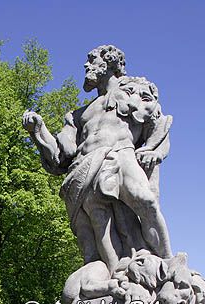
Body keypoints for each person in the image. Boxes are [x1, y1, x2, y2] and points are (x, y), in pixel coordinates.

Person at [22, 45, 172, 273]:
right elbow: (61, 158)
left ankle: (168, 264)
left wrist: (153, 151)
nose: (86, 65)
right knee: (100, 225)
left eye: (92, 60)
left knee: (146, 201)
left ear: (109, 63)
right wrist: (38, 131)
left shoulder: (135, 92)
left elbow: (159, 126)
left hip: (121, 155)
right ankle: (117, 279)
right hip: (84, 170)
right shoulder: (76, 115)